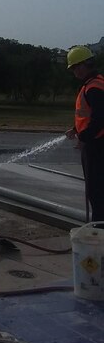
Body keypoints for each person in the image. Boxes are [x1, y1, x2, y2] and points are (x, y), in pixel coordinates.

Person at [65, 45, 104, 222]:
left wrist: (84, 137)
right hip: (96, 143)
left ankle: (99, 233)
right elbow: (89, 115)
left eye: (74, 67)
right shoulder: (95, 84)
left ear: (83, 65)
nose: (74, 72)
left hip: (97, 146)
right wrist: (76, 129)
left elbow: (100, 119)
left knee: (97, 192)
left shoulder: (93, 88)